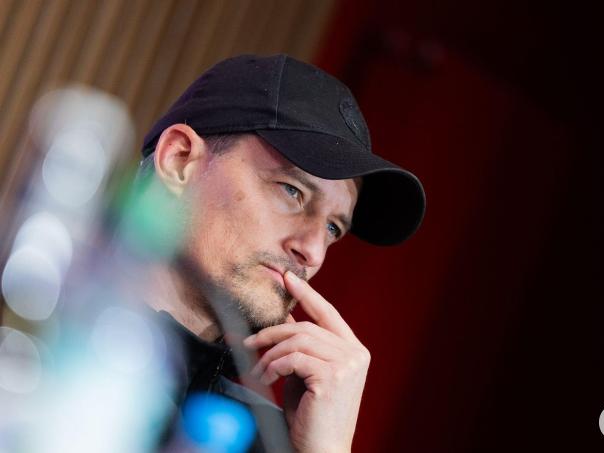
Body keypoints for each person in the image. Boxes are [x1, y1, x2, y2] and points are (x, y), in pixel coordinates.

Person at [134, 54, 425, 452]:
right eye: (292, 190)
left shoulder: (268, 440)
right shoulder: (32, 314)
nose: (313, 251)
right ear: (180, 160)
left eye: (333, 228)